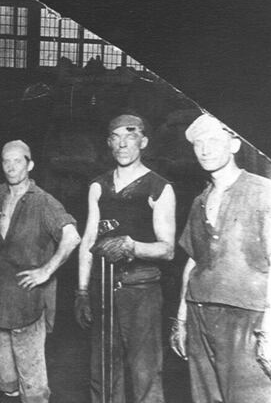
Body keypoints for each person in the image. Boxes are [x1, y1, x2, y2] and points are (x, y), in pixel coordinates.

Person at [171, 113, 271, 403]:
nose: (205, 150)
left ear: (234, 144)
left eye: (213, 141)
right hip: (200, 315)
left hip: (247, 318)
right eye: (198, 144)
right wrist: (181, 321)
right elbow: (194, 262)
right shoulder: (200, 200)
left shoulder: (266, 193)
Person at [74, 114, 175, 403]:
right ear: (108, 143)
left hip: (141, 291)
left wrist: (132, 246)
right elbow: (88, 241)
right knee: (103, 374)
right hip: (103, 290)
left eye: (130, 137)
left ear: (143, 142)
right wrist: (82, 291)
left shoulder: (159, 188)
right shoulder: (98, 186)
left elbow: (167, 249)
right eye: (116, 137)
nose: (122, 144)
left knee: (145, 375)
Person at [0, 140, 80, 403]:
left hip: (28, 303)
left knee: (33, 388)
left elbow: (71, 237)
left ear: (30, 165)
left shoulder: (44, 202)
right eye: (6, 162)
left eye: (17, 161)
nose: (11, 167)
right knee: (7, 384)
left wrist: (46, 270)